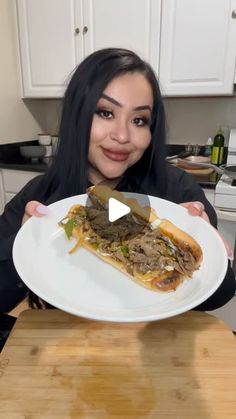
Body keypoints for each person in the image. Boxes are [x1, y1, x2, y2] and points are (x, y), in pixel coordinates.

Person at [0, 47, 235, 319]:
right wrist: (21, 246)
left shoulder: (176, 191)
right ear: (77, 117)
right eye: (105, 113)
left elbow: (223, 292)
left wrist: (209, 256)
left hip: (154, 348)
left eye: (139, 120)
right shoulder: (41, 195)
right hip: (65, 347)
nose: (123, 135)